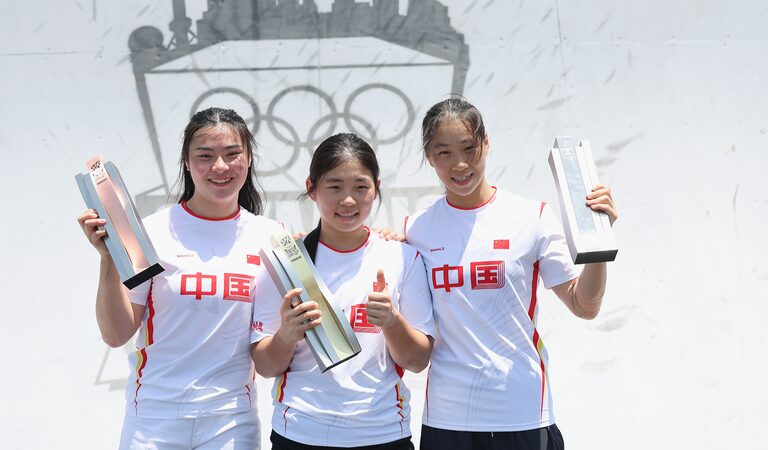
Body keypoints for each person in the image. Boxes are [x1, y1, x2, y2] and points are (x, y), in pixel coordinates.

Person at [403, 98, 619, 450]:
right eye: (443, 152)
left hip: (522, 413)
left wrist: (598, 243)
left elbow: (585, 305)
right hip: (447, 418)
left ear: (486, 143)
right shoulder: (416, 230)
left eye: (469, 148)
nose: (459, 164)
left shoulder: (532, 217)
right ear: (429, 156)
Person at [78, 107, 282, 450]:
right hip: (155, 420)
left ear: (248, 159)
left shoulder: (271, 236)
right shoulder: (151, 232)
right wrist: (108, 260)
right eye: (205, 156)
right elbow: (116, 334)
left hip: (231, 421)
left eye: (232, 155)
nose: (220, 167)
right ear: (187, 162)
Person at [250, 133, 435, 450]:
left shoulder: (403, 258)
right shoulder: (287, 263)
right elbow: (266, 367)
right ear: (312, 189)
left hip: (383, 433)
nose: (348, 200)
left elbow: (418, 361)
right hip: (299, 433)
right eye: (334, 187)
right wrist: (287, 335)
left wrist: (391, 321)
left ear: (376, 188)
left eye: (360, 187)